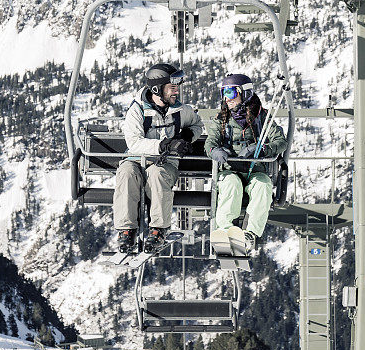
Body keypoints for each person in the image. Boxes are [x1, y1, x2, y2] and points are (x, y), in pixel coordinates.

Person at [114, 63, 204, 253]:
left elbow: (197, 125)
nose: (176, 92)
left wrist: (187, 135)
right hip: (137, 159)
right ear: (157, 88)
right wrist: (162, 145)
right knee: (126, 172)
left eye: (177, 87)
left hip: (165, 163)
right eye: (172, 87)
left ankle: (158, 230)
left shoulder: (180, 110)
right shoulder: (138, 111)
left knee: (157, 174)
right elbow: (134, 143)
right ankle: (126, 230)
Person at [205, 74, 287, 254]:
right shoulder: (222, 120)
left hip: (254, 170)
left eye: (231, 92)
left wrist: (262, 149)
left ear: (245, 93)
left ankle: (250, 233)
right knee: (231, 185)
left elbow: (280, 141)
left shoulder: (262, 117)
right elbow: (210, 143)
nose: (227, 98)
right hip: (230, 170)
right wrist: (215, 152)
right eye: (223, 93)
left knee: (263, 185)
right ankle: (225, 229)